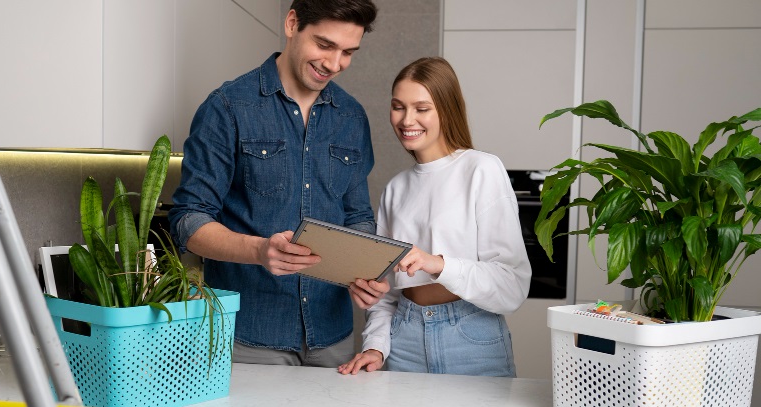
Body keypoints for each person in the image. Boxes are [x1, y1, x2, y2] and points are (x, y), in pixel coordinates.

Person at [168, 0, 385, 367]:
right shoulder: (227, 107)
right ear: (291, 23)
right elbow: (187, 220)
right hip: (249, 336)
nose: (334, 64)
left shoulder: (352, 116)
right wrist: (258, 251)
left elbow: (358, 215)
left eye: (348, 52)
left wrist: (365, 271)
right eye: (325, 45)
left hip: (333, 335)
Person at [338, 57, 531, 377]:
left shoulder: (481, 169)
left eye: (421, 108)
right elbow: (387, 297)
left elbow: (512, 286)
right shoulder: (395, 189)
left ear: (446, 109)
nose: (406, 119)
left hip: (471, 339)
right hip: (405, 340)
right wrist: (375, 346)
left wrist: (437, 263)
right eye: (398, 106)